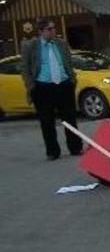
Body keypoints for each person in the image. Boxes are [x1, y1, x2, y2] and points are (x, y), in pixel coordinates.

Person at [20, 18, 82, 160]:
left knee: (70, 118)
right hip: (43, 86)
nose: (53, 31)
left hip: (64, 84)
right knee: (47, 120)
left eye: (54, 28)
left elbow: (68, 62)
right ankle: (52, 151)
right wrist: (31, 85)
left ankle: (75, 147)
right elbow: (24, 68)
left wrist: (72, 78)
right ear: (41, 31)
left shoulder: (61, 43)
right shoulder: (30, 46)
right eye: (49, 29)